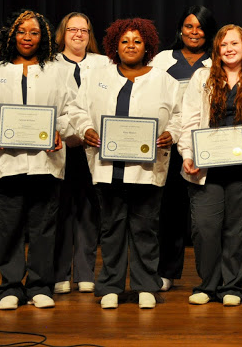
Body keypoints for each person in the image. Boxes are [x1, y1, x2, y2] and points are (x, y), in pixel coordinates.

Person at [68, 18, 181, 309]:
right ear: (115, 46)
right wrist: (85, 130)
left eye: (137, 41)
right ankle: (110, 285)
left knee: (145, 228)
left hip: (146, 168)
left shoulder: (164, 80)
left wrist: (173, 133)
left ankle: (145, 284)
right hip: (109, 167)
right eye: (125, 41)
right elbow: (77, 109)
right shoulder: (98, 77)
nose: (131, 46)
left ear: (147, 47)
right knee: (111, 227)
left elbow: (182, 114)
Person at [0, 9, 75, 310]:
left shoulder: (57, 72)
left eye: (34, 32)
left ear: (43, 37)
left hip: (46, 162)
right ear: (11, 35)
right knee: (10, 227)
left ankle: (41, 286)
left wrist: (60, 131)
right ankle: (10, 287)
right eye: (21, 31)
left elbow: (72, 111)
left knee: (44, 227)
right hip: (7, 162)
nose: (27, 37)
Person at [178, 25, 242, 306]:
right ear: (217, 49)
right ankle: (207, 286)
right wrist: (188, 154)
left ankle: (233, 287)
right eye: (223, 44)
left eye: (234, 43)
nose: (229, 49)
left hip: (241, 169)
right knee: (205, 228)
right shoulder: (202, 77)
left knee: (238, 229)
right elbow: (188, 120)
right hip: (205, 169)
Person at [149, 5, 218, 291]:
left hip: (205, 147)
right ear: (180, 29)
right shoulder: (163, 59)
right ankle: (166, 271)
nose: (194, 32)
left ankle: (213, 276)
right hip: (168, 146)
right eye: (189, 26)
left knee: (207, 217)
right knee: (170, 213)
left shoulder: (218, 60)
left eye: (200, 27)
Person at [53, 12, 111, 295]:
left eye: (84, 30)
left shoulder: (105, 64)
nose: (78, 34)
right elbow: (49, 107)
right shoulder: (49, 64)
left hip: (95, 147)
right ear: (62, 33)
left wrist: (91, 131)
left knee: (90, 210)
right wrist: (72, 131)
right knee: (60, 212)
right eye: (72, 29)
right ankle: (60, 273)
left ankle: (86, 272)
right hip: (60, 147)